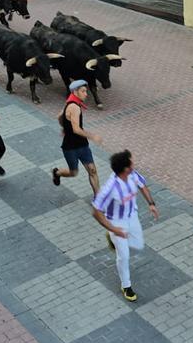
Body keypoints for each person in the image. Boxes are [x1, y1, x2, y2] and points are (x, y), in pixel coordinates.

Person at [91, 150, 158, 302]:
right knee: (124, 256)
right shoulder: (110, 188)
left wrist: (151, 204)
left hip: (132, 215)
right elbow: (96, 212)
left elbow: (143, 185)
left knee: (138, 244)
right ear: (125, 169)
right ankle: (126, 285)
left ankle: (113, 239)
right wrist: (114, 229)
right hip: (116, 223)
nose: (134, 164)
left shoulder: (133, 175)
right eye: (131, 162)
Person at [51, 80, 101, 195]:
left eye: (86, 91)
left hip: (82, 145)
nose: (86, 94)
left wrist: (64, 127)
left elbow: (59, 116)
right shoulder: (74, 107)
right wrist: (93, 136)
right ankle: (57, 173)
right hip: (70, 147)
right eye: (83, 91)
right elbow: (76, 129)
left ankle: (98, 199)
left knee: (92, 170)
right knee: (74, 172)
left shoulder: (70, 102)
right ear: (75, 92)